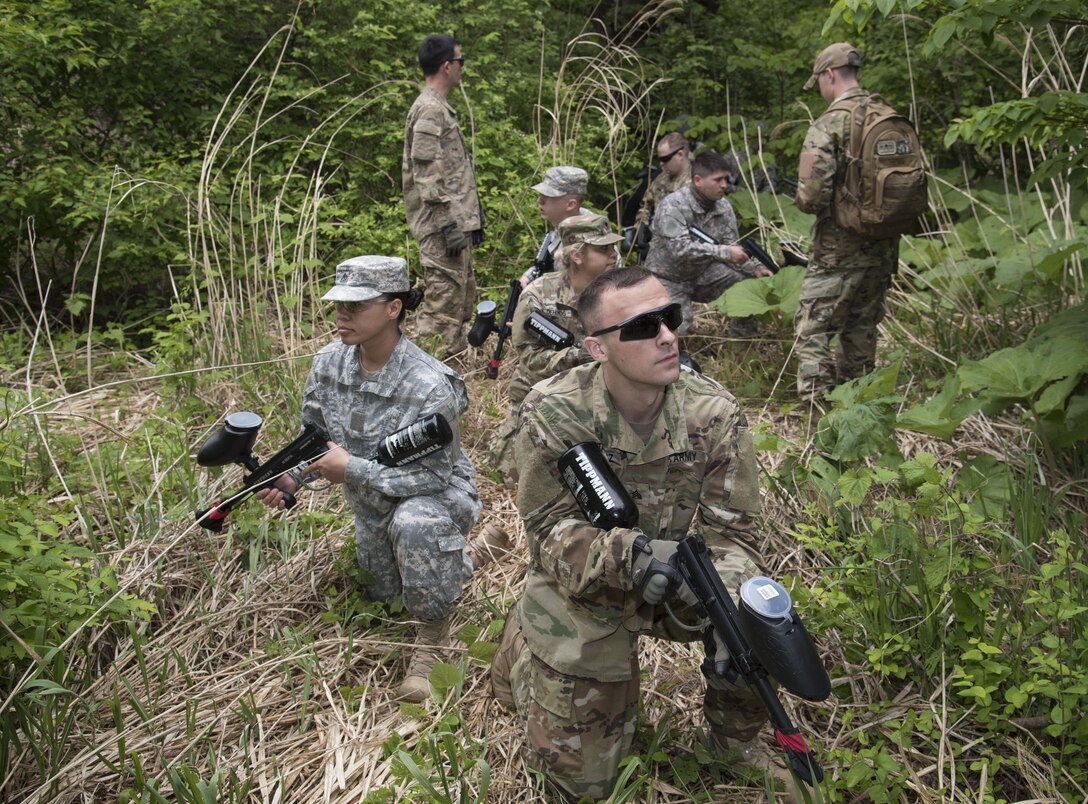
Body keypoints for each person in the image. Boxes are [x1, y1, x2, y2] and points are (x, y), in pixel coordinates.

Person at [490, 267, 795, 801]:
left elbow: (737, 536)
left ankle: (733, 746)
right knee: (587, 788)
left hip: (681, 577)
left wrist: (729, 605)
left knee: (759, 619)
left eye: (669, 318)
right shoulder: (554, 409)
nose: (667, 336)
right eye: (642, 327)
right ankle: (525, 644)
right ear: (597, 348)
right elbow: (545, 530)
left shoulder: (713, 412)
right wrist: (630, 557)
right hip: (587, 584)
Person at [255, 256, 505, 703]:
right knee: (384, 598)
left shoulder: (430, 383)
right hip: (372, 501)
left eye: (356, 306)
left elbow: (432, 476)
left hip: (436, 495)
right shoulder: (329, 364)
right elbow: (315, 439)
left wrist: (351, 469)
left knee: (416, 527)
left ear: (393, 308)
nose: (342, 315)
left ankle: (433, 640)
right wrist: (293, 477)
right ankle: (472, 557)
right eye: (339, 305)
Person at [793, 42, 900, 403]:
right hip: (884, 245)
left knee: (812, 327)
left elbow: (811, 197)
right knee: (861, 326)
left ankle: (816, 408)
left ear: (829, 75)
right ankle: (860, 402)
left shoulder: (829, 124)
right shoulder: (887, 116)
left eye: (819, 83)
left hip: (838, 249)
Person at [490, 213, 622, 486]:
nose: (613, 254)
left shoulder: (618, 293)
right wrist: (585, 354)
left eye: (613, 247)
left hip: (602, 395)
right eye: (603, 249)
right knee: (514, 477)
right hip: (543, 395)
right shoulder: (539, 296)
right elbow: (531, 359)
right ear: (577, 256)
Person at [402, 34, 484, 358]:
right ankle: (423, 377)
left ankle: (449, 373)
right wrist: (448, 225)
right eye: (461, 61)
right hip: (441, 230)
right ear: (447, 66)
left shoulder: (438, 109)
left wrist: (469, 222)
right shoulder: (429, 110)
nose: (463, 67)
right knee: (441, 314)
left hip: (451, 227)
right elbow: (426, 174)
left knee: (459, 305)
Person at [644, 151, 773, 337]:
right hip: (667, 279)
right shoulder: (673, 206)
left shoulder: (724, 207)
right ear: (698, 180)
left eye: (726, 179)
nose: (724, 185)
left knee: (747, 287)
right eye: (718, 180)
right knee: (675, 329)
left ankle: (741, 343)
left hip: (703, 275)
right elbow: (680, 250)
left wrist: (756, 268)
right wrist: (726, 253)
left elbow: (732, 246)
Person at [519, 166, 591, 287]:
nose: (539, 200)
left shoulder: (587, 241)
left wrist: (535, 289)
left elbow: (578, 290)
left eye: (548, 196)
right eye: (541, 194)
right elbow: (548, 262)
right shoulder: (564, 225)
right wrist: (529, 276)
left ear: (570, 205)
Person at [634, 131, 692, 232]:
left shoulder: (696, 183)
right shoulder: (661, 178)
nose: (661, 163)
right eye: (660, 159)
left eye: (665, 159)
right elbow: (645, 205)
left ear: (680, 154)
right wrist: (641, 226)